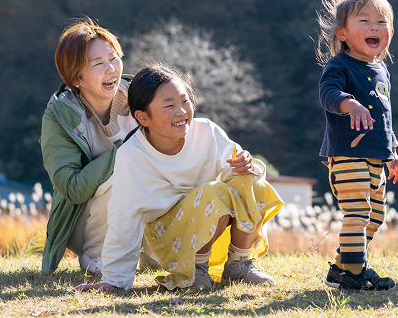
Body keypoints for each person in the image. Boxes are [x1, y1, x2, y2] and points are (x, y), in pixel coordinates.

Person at [75, 63, 283, 293]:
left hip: (215, 235)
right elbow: (125, 217)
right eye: (169, 105)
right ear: (143, 117)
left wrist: (246, 163)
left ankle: (239, 263)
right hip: (171, 241)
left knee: (249, 178)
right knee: (213, 192)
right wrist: (114, 280)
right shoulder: (132, 155)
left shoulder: (206, 131)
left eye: (185, 101)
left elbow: (244, 180)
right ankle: (196, 270)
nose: (182, 112)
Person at [316, 0, 398, 291]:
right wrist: (349, 103)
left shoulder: (382, 71)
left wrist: (392, 152)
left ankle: (343, 266)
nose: (375, 27)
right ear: (342, 33)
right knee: (358, 210)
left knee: (377, 214)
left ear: (390, 34)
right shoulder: (339, 65)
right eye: (364, 20)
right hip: (346, 153)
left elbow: (386, 118)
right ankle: (355, 271)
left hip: (376, 155)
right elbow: (327, 94)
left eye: (382, 22)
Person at [40, 19, 142, 275]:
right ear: (76, 78)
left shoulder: (141, 96)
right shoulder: (60, 115)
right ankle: (96, 255)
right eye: (98, 64)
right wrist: (126, 153)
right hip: (84, 221)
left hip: (142, 206)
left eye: (114, 58)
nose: (111, 69)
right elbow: (72, 188)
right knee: (120, 176)